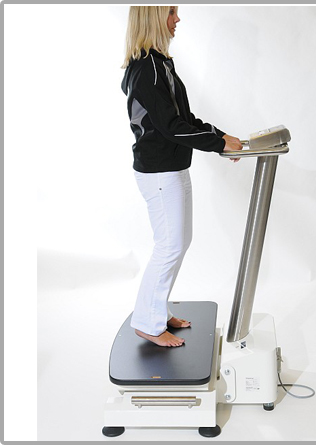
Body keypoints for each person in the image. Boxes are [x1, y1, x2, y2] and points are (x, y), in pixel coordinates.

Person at [121, 6, 243, 348]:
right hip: (159, 171)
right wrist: (218, 144)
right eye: (171, 12)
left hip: (173, 168)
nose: (177, 19)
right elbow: (172, 127)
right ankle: (147, 322)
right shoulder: (146, 68)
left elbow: (185, 118)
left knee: (179, 243)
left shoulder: (161, 63)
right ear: (153, 17)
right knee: (169, 246)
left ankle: (156, 310)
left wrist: (222, 137)